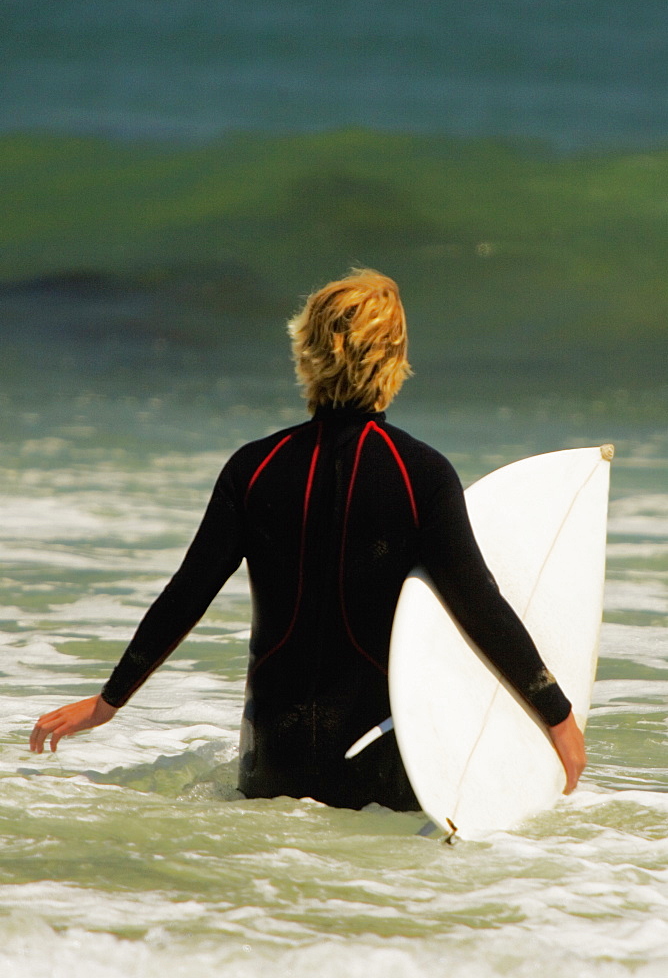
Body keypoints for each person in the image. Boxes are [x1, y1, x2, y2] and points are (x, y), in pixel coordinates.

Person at [30, 268, 586, 807]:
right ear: (392, 358)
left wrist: (108, 703)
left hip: (272, 765)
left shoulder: (254, 468)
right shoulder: (420, 475)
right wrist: (557, 717)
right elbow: (479, 605)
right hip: (377, 772)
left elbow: (186, 594)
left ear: (307, 348)